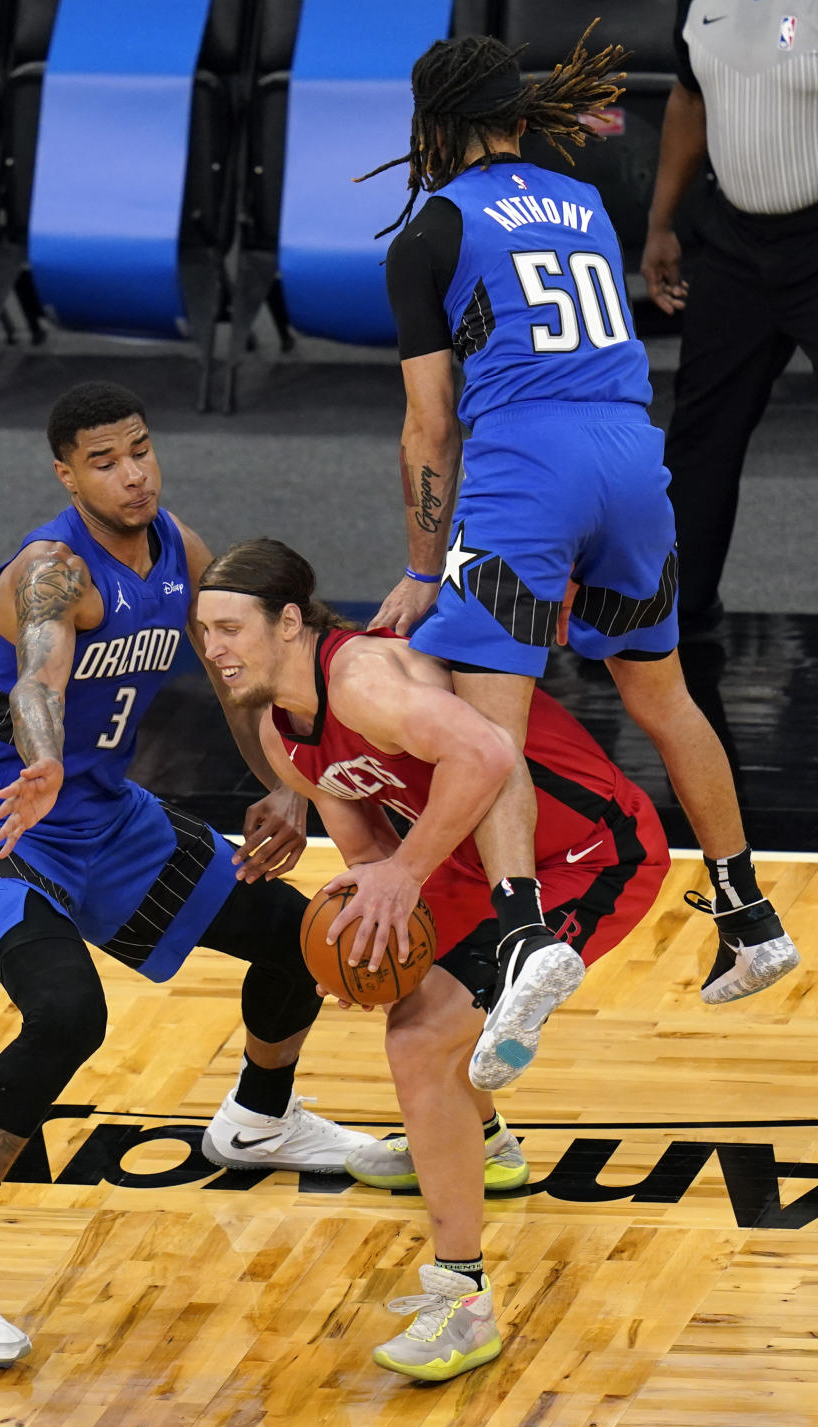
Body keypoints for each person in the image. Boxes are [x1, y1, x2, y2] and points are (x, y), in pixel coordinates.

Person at [0, 382, 371, 1370]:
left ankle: (260, 1122)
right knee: (66, 1015)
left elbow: (240, 672)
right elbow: (40, 678)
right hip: (3, 827)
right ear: (66, 474)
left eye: (140, 450)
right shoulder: (53, 570)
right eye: (104, 461)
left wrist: (283, 783)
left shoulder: (181, 552)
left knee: (292, 934)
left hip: (108, 822)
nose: (132, 472)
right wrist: (47, 755)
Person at [358, 28, 799, 1091]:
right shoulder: (581, 200)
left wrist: (424, 565)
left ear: (433, 125)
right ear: (517, 112)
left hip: (530, 474)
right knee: (666, 698)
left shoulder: (430, 231)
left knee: (486, 723)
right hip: (630, 459)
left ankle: (522, 939)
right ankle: (750, 913)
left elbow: (431, 424)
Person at [195, 536, 670, 1382]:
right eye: (204, 634)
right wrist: (368, 937)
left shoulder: (365, 681)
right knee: (405, 1012)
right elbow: (369, 853)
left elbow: (488, 757)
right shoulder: (282, 731)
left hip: (588, 850)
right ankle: (480, 1141)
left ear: (292, 622)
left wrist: (404, 878)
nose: (215, 651)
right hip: (461, 858)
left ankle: (465, 1301)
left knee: (419, 1042)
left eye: (231, 629)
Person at [642, 0, 818, 632]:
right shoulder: (699, 5)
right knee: (700, 433)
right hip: (734, 245)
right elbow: (690, 101)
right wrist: (662, 222)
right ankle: (681, 611)